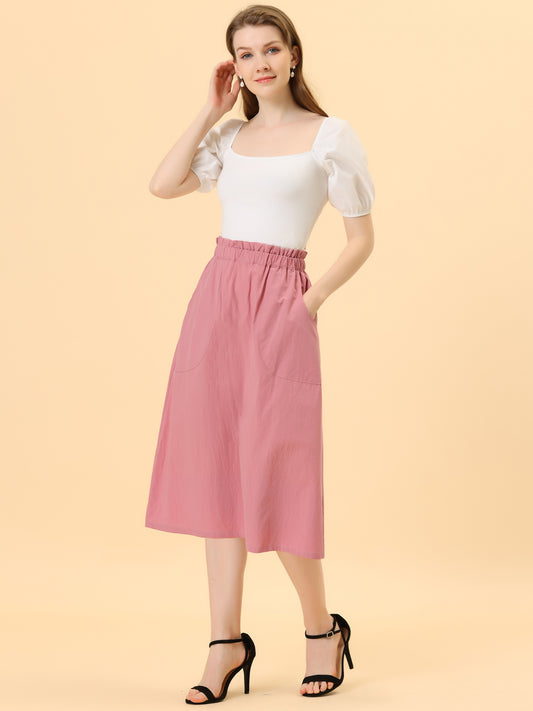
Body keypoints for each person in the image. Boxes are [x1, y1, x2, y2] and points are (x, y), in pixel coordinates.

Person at [145, 4, 375, 705]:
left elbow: (361, 238)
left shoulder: (330, 136)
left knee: (281, 469)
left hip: (281, 299)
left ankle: (320, 629)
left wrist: (308, 302)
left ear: (293, 54)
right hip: (217, 298)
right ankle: (224, 641)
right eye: (245, 54)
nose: (260, 63)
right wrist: (209, 110)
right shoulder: (230, 136)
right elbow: (163, 184)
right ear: (235, 67)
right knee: (216, 469)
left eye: (271, 49)